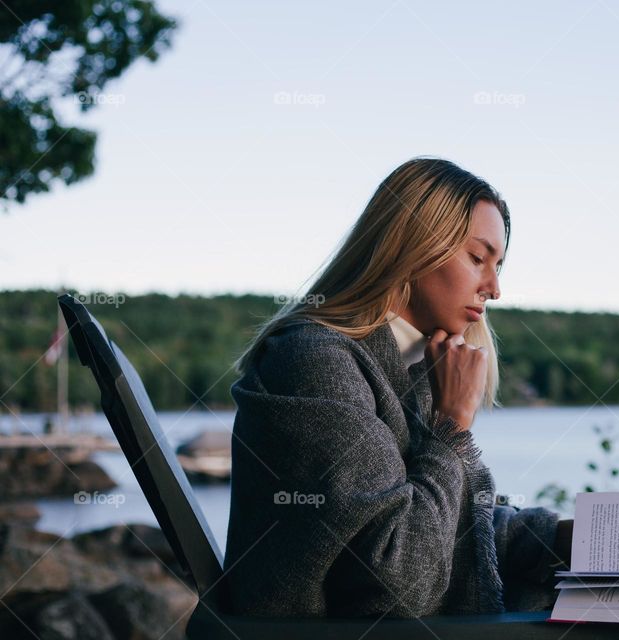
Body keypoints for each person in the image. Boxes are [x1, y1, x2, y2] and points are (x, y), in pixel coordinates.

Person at [224, 157, 569, 618]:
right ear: (413, 245)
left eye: (499, 265)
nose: (494, 288)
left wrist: (576, 536)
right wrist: (451, 425)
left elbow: (457, 528)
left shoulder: (412, 368)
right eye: (476, 257)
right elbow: (399, 587)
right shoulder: (312, 362)